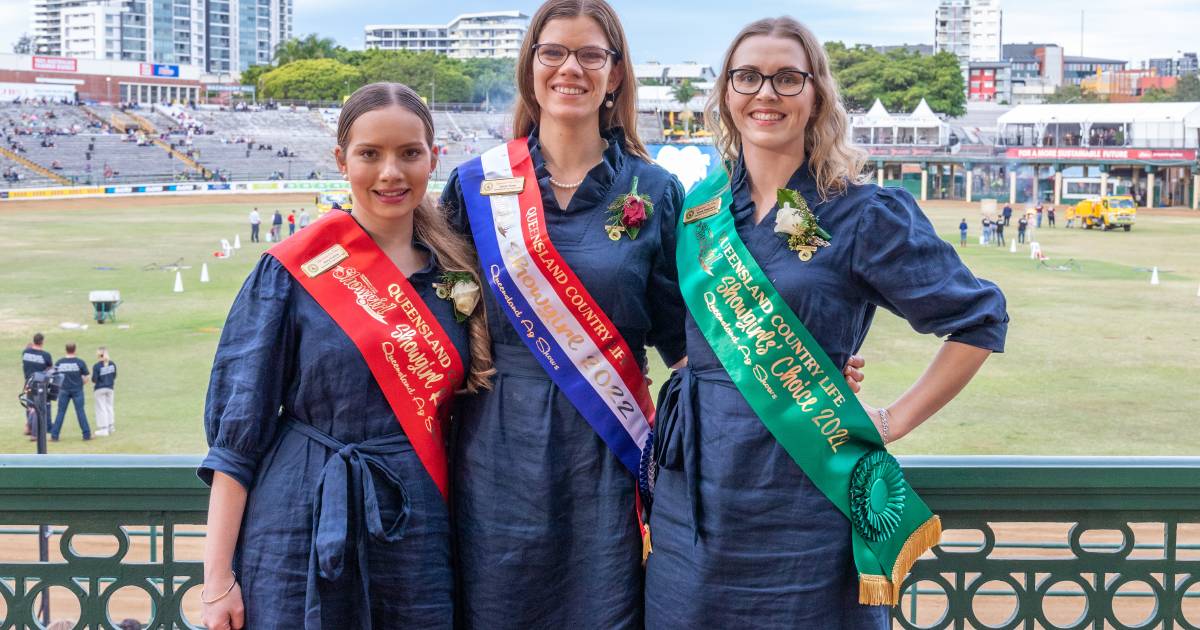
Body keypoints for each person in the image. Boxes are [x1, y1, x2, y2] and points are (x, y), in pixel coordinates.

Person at [643, 16, 1008, 628]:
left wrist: (891, 419)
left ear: (816, 96)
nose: (766, 93)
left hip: (806, 501)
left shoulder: (863, 212)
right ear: (726, 94)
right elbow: (676, 329)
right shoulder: (699, 208)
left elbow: (978, 320)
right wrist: (757, 365)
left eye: (788, 78)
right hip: (695, 501)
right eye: (748, 77)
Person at [201, 83, 494, 630]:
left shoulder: (457, 275)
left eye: (409, 153)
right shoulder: (291, 270)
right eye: (370, 154)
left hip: (418, 526)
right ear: (341, 160)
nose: (391, 173)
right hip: (299, 519)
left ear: (434, 157)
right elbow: (239, 434)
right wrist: (217, 580)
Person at [439, 2, 686, 626]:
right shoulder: (474, 185)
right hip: (493, 452)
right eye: (553, 52)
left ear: (616, 73)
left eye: (590, 55)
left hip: (606, 455)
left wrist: (807, 364)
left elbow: (685, 339)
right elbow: (426, 319)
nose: (569, 68)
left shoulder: (655, 192)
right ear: (530, 65)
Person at [51, 343, 91, 442]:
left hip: (63, 390)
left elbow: (54, 377)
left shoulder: (60, 362)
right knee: (80, 412)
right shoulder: (80, 362)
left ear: (66, 350)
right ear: (75, 350)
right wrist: (80, 384)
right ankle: (86, 435)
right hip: (77, 390)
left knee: (60, 412)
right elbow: (86, 378)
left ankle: (54, 436)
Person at [21, 332, 53, 438]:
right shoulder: (46, 355)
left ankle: (28, 427)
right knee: (37, 407)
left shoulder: (25, 352)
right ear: (42, 342)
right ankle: (34, 434)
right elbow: (50, 369)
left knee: (29, 405)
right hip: (39, 384)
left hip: (28, 382)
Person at [92, 346, 117, 437]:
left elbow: (94, 379)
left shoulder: (97, 366)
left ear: (99, 355)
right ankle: (111, 426)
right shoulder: (112, 364)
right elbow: (114, 375)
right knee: (109, 407)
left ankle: (104, 429)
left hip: (100, 388)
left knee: (101, 408)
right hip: (110, 388)